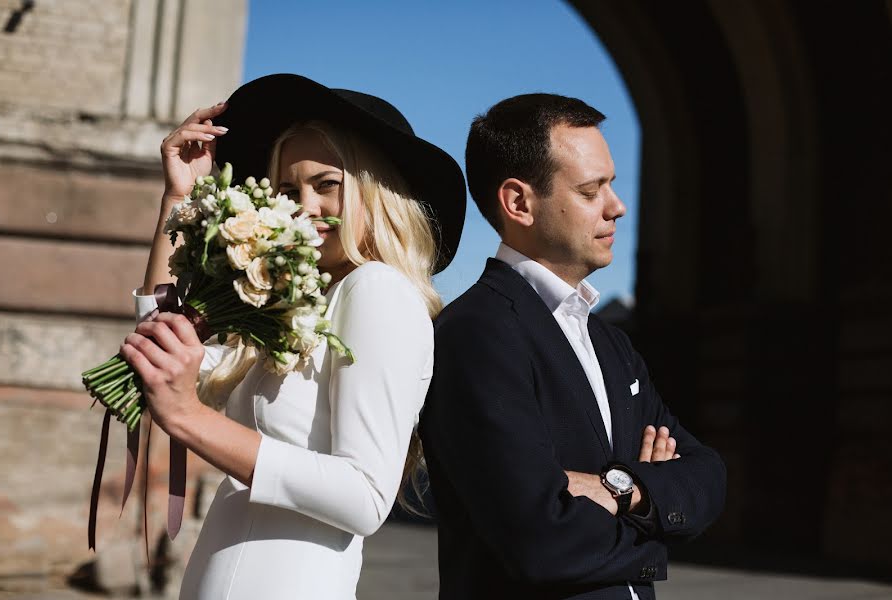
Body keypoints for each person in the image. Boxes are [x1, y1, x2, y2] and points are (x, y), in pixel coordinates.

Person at [120, 74, 465, 599]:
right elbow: (159, 353)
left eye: (327, 184)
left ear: (378, 192)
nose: (303, 207)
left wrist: (190, 418)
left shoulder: (377, 291)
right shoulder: (292, 304)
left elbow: (365, 495)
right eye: (287, 189)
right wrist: (179, 196)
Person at [419, 93, 726, 600]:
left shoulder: (610, 342)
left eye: (612, 185)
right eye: (591, 190)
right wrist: (651, 526)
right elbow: (539, 540)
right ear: (519, 202)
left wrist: (621, 490)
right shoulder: (476, 334)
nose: (617, 207)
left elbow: (708, 476)